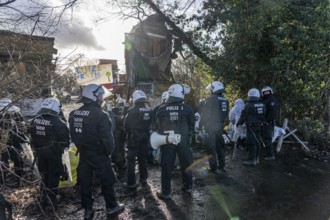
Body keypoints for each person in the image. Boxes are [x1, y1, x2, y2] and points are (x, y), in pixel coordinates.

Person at [69, 84, 124, 219]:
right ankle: (112, 206)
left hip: (83, 153)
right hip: (99, 153)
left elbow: (73, 135)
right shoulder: (101, 115)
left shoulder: (73, 114)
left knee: (85, 182)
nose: (101, 97)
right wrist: (108, 153)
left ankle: (88, 210)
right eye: (99, 95)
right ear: (93, 96)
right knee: (107, 180)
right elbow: (108, 139)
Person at [153, 83, 195, 199]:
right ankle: (188, 186)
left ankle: (166, 193)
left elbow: (158, 127)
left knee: (167, 167)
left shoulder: (161, 109)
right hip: (183, 141)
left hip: (167, 141)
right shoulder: (188, 109)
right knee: (186, 164)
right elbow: (192, 125)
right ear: (180, 94)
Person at [29, 98, 70, 207]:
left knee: (44, 174)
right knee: (53, 175)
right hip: (54, 153)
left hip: (40, 152)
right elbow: (65, 140)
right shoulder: (58, 122)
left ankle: (43, 197)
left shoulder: (35, 120)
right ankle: (51, 198)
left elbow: (32, 137)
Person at [123, 90, 152, 187]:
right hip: (145, 136)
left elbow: (126, 125)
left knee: (131, 160)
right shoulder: (149, 109)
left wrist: (128, 134)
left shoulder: (132, 110)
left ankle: (131, 182)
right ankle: (143, 179)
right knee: (142, 158)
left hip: (134, 137)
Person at [201, 81, 229, 174]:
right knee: (220, 147)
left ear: (214, 89)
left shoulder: (211, 99)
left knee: (211, 148)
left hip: (211, 127)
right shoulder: (225, 100)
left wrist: (202, 126)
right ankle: (222, 166)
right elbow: (226, 115)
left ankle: (213, 168)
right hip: (220, 126)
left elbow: (205, 115)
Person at [0, 98, 28, 187]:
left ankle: (19, 180)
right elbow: (12, 134)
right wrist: (22, 139)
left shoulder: (15, 115)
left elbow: (19, 128)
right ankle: (2, 182)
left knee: (18, 160)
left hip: (14, 143)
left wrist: (23, 135)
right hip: (3, 143)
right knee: (4, 162)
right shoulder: (3, 120)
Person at [237, 88, 266, 166]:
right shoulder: (262, 105)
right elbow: (264, 116)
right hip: (259, 126)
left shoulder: (248, 105)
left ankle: (252, 160)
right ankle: (256, 159)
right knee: (257, 142)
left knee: (251, 143)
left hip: (251, 127)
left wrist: (238, 123)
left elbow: (243, 116)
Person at [261, 86, 280, 160]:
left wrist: (267, 121)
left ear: (270, 92)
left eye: (267, 92)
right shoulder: (267, 100)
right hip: (266, 122)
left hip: (268, 123)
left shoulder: (272, 100)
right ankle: (268, 153)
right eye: (265, 92)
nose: (266, 93)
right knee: (265, 138)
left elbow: (273, 113)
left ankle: (271, 155)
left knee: (267, 138)